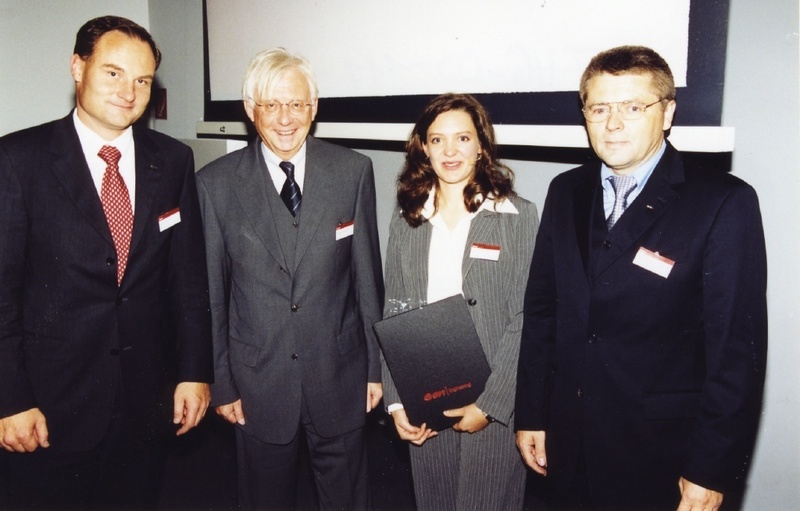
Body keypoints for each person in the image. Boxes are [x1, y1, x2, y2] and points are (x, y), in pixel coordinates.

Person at [515, 45, 768, 511]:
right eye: (599, 108)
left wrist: (709, 469)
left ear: (667, 112)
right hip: (567, 446)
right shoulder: (565, 191)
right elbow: (544, 313)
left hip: (661, 458)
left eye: (633, 107)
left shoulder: (722, 203)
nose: (613, 124)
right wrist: (532, 413)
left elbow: (735, 353)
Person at [0, 15, 213, 509]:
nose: (128, 92)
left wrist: (194, 371)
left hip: (146, 403)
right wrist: (9, 399)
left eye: (141, 80)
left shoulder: (174, 160)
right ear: (78, 68)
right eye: (113, 73)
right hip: (49, 409)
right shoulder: (18, 159)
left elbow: (187, 281)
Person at [196, 48, 384, 510]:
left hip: (340, 378)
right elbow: (214, 297)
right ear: (249, 109)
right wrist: (222, 384)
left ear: (314, 108)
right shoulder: (214, 184)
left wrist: (375, 370)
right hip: (257, 385)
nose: (285, 119)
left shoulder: (352, 171)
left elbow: (366, 280)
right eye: (271, 105)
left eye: (297, 104)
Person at [381, 93, 538, 511]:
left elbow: (527, 318)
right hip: (424, 397)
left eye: (463, 138)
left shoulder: (518, 216)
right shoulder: (407, 217)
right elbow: (394, 312)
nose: (450, 151)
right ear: (423, 148)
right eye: (437, 140)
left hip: (492, 399)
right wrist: (397, 402)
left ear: (482, 146)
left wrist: (491, 405)